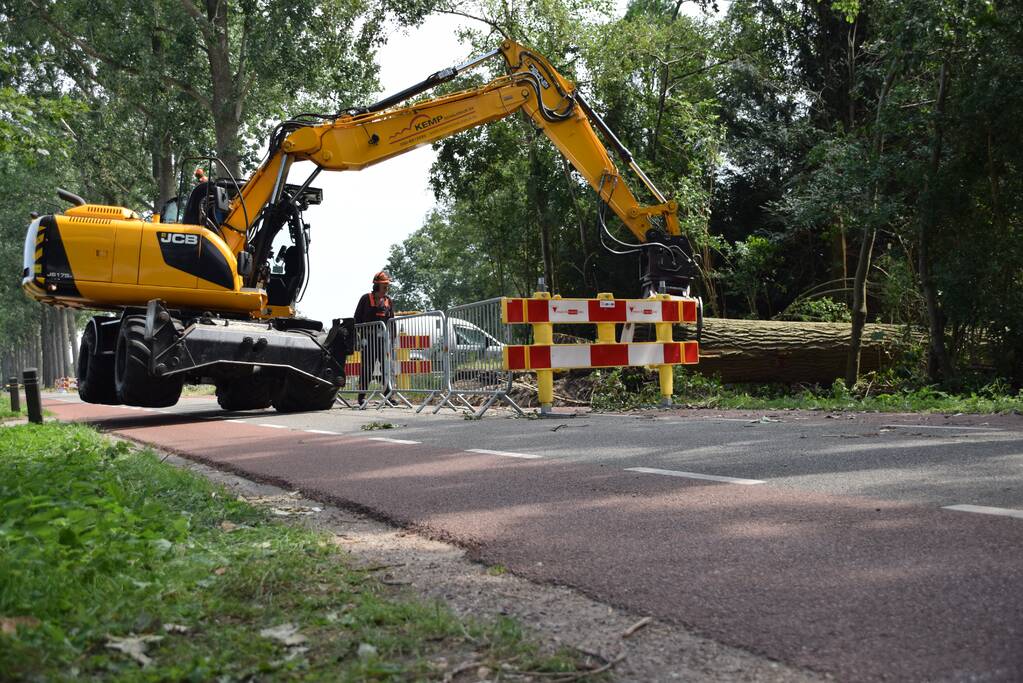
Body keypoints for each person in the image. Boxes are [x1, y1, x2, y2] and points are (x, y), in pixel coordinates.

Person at [353, 271, 394, 405]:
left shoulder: (388, 301)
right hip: (368, 340)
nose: (387, 288)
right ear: (377, 286)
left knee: (385, 368)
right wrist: (360, 335)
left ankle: (388, 396)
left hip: (382, 341)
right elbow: (357, 319)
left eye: (387, 286)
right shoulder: (366, 299)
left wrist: (392, 338)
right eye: (384, 286)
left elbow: (391, 321)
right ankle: (362, 397)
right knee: (367, 368)